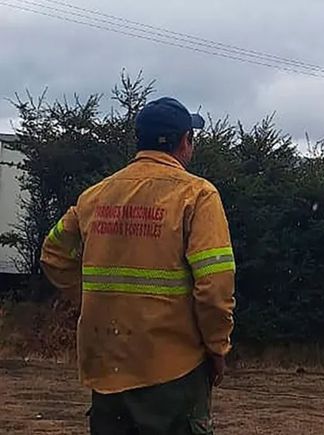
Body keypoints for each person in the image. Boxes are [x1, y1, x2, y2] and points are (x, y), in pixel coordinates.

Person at [40, 97, 236, 434]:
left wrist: (92, 298)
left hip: (106, 365)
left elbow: (53, 253)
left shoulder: (95, 196)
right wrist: (218, 348)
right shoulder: (198, 195)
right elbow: (214, 287)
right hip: (174, 369)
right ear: (185, 142)